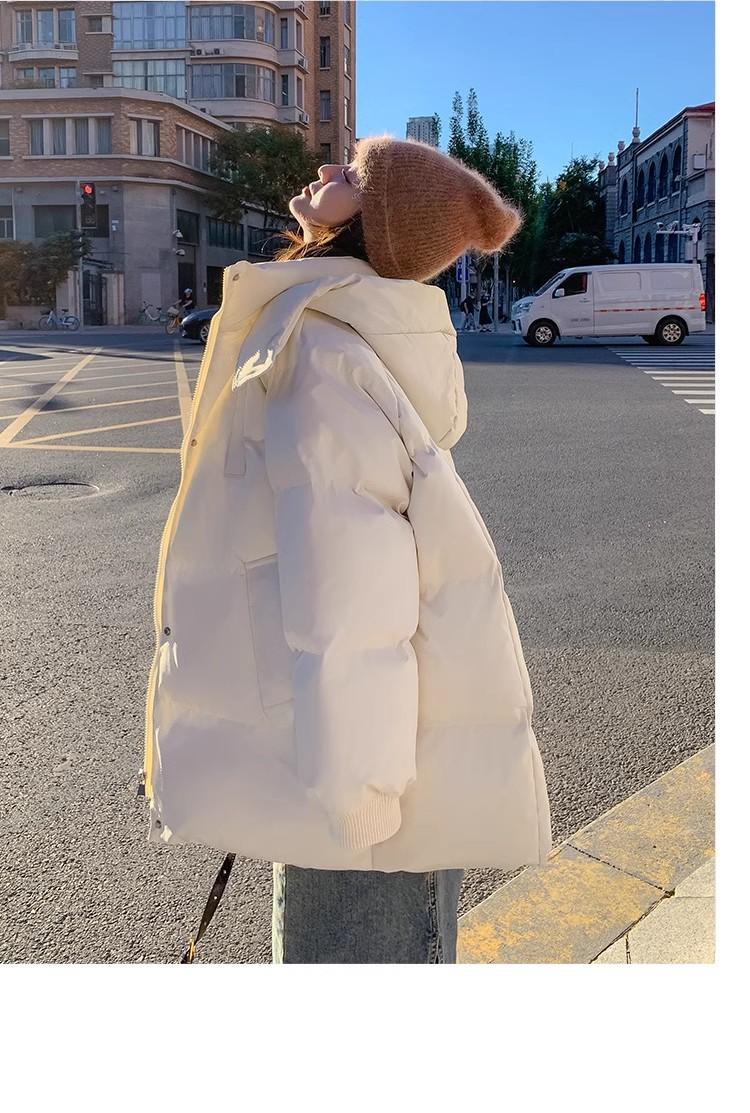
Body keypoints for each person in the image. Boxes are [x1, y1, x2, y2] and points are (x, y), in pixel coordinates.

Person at [143, 137, 552, 964]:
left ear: (378, 221)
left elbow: (352, 593)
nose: (328, 171)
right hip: (360, 748)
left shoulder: (327, 354)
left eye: (354, 175)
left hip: (359, 792)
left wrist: (358, 790)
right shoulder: (338, 333)